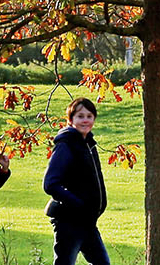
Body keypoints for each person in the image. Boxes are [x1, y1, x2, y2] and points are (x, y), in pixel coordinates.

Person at [45, 98, 109, 265]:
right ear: (71, 119)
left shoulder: (88, 144)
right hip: (69, 221)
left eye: (89, 116)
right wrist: (78, 204)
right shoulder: (66, 144)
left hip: (87, 222)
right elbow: (50, 184)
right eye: (80, 116)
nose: (85, 120)